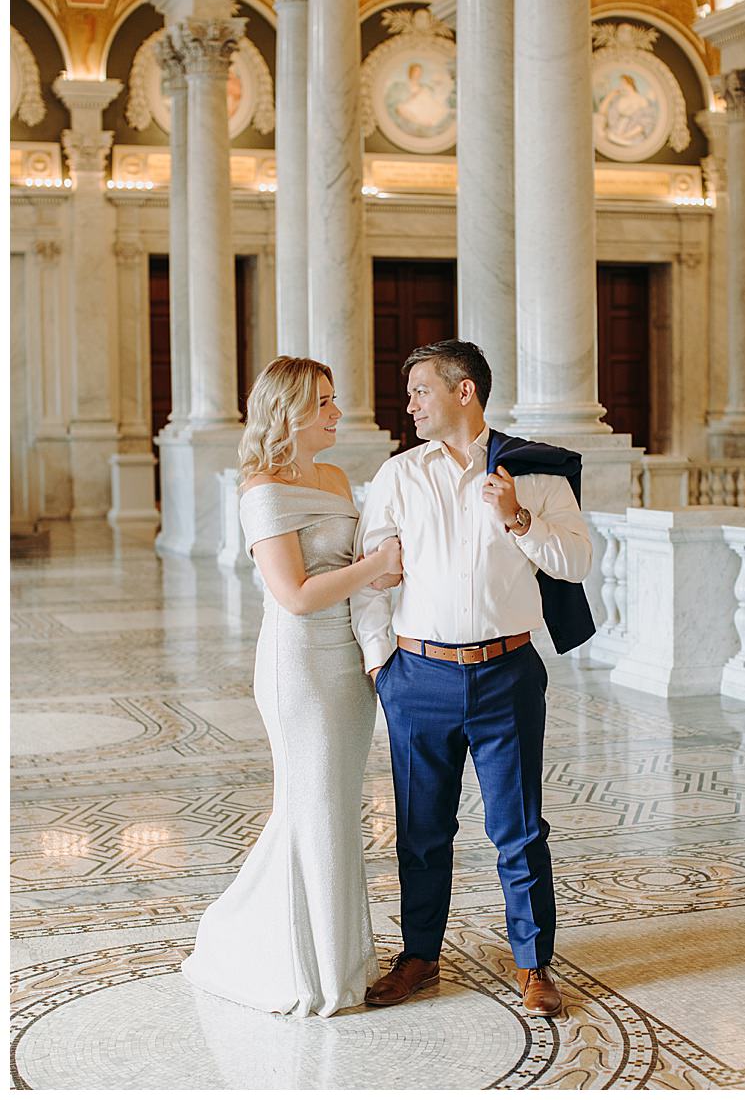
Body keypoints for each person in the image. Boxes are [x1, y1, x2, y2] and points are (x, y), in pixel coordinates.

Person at [352, 340, 592, 1016]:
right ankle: (420, 955)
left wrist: (517, 515)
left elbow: (576, 561)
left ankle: (533, 964)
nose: (411, 405)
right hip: (417, 676)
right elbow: (372, 575)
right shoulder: (399, 474)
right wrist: (380, 663)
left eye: (421, 391)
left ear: (464, 392)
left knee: (519, 829)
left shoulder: (535, 472)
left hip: (506, 673)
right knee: (420, 829)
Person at [183, 357, 404, 1017]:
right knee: (313, 806)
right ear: (290, 411)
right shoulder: (262, 488)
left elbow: (362, 567)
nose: (338, 411)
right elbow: (297, 594)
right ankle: (306, 968)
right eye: (326, 402)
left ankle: (343, 959)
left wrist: (383, 573)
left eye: (336, 399)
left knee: (333, 808)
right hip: (300, 665)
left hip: (348, 665)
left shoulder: (335, 476)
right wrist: (372, 565)